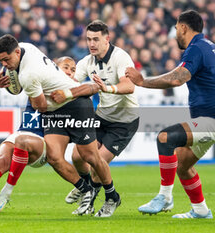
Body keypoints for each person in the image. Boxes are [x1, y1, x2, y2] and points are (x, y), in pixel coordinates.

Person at [0, 34, 116, 217]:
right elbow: (19, 87)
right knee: (54, 157)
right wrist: (1, 82)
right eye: (0, 61)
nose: (4, 64)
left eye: (7, 59)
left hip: (76, 106)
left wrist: (27, 90)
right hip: (55, 111)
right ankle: (86, 190)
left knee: (90, 157)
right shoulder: (25, 47)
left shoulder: (29, 75)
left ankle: (112, 195)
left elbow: (40, 106)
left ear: (17, 52)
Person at [125, 10, 215, 219]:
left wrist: (142, 81)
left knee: (165, 137)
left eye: (175, 29)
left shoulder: (196, 48)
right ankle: (201, 211)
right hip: (213, 118)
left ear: (183, 27)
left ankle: (164, 197)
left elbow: (176, 79)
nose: (175, 34)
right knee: (182, 166)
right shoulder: (207, 46)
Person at [0, 56, 77, 220]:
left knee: (22, 142)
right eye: (66, 67)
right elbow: (14, 71)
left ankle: (6, 192)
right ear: (54, 69)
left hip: (42, 144)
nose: (69, 72)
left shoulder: (73, 95)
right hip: (22, 133)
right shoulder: (37, 80)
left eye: (73, 70)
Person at [51, 20, 139, 216]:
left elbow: (130, 86)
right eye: (89, 39)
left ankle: (109, 199)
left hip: (124, 120)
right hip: (101, 116)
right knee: (77, 157)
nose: (91, 43)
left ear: (107, 39)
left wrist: (107, 88)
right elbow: (70, 84)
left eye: (96, 39)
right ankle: (87, 189)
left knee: (98, 164)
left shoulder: (120, 58)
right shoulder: (86, 62)